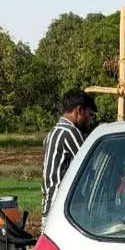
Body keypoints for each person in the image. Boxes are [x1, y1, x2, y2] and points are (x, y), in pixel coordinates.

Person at [42, 89, 97, 224]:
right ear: (79, 111)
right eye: (90, 115)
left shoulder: (53, 132)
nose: (90, 120)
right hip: (62, 208)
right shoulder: (70, 133)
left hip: (50, 205)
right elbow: (89, 164)